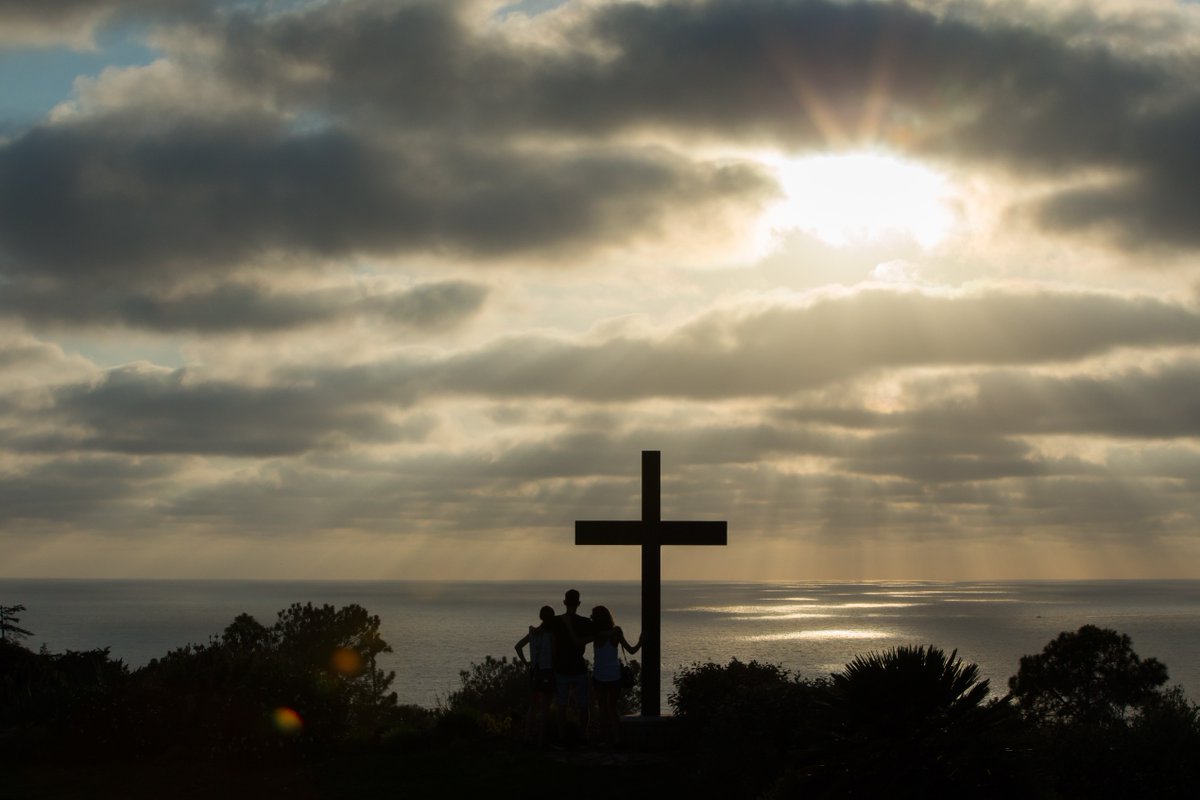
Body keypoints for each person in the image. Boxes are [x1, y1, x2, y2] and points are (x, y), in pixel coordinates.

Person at [588, 605, 641, 746]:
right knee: (612, 709)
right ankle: (617, 738)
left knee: (603, 709)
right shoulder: (616, 632)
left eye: (593, 615)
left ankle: (604, 738)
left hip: (599, 676)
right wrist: (641, 641)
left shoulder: (596, 633)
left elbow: (599, 635)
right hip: (615, 676)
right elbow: (631, 650)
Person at [552, 588, 595, 743]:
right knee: (584, 705)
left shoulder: (556, 622)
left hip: (561, 669)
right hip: (579, 667)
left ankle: (562, 738)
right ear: (578, 603)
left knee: (561, 705)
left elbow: (549, 641)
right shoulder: (585, 622)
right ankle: (584, 736)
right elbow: (599, 633)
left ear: (564, 602)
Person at [515, 605, 556, 746]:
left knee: (532, 707)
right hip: (547, 671)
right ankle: (540, 740)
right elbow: (555, 654)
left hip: (534, 672)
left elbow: (518, 646)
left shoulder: (533, 633)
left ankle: (527, 737)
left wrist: (526, 663)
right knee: (545, 708)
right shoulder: (551, 634)